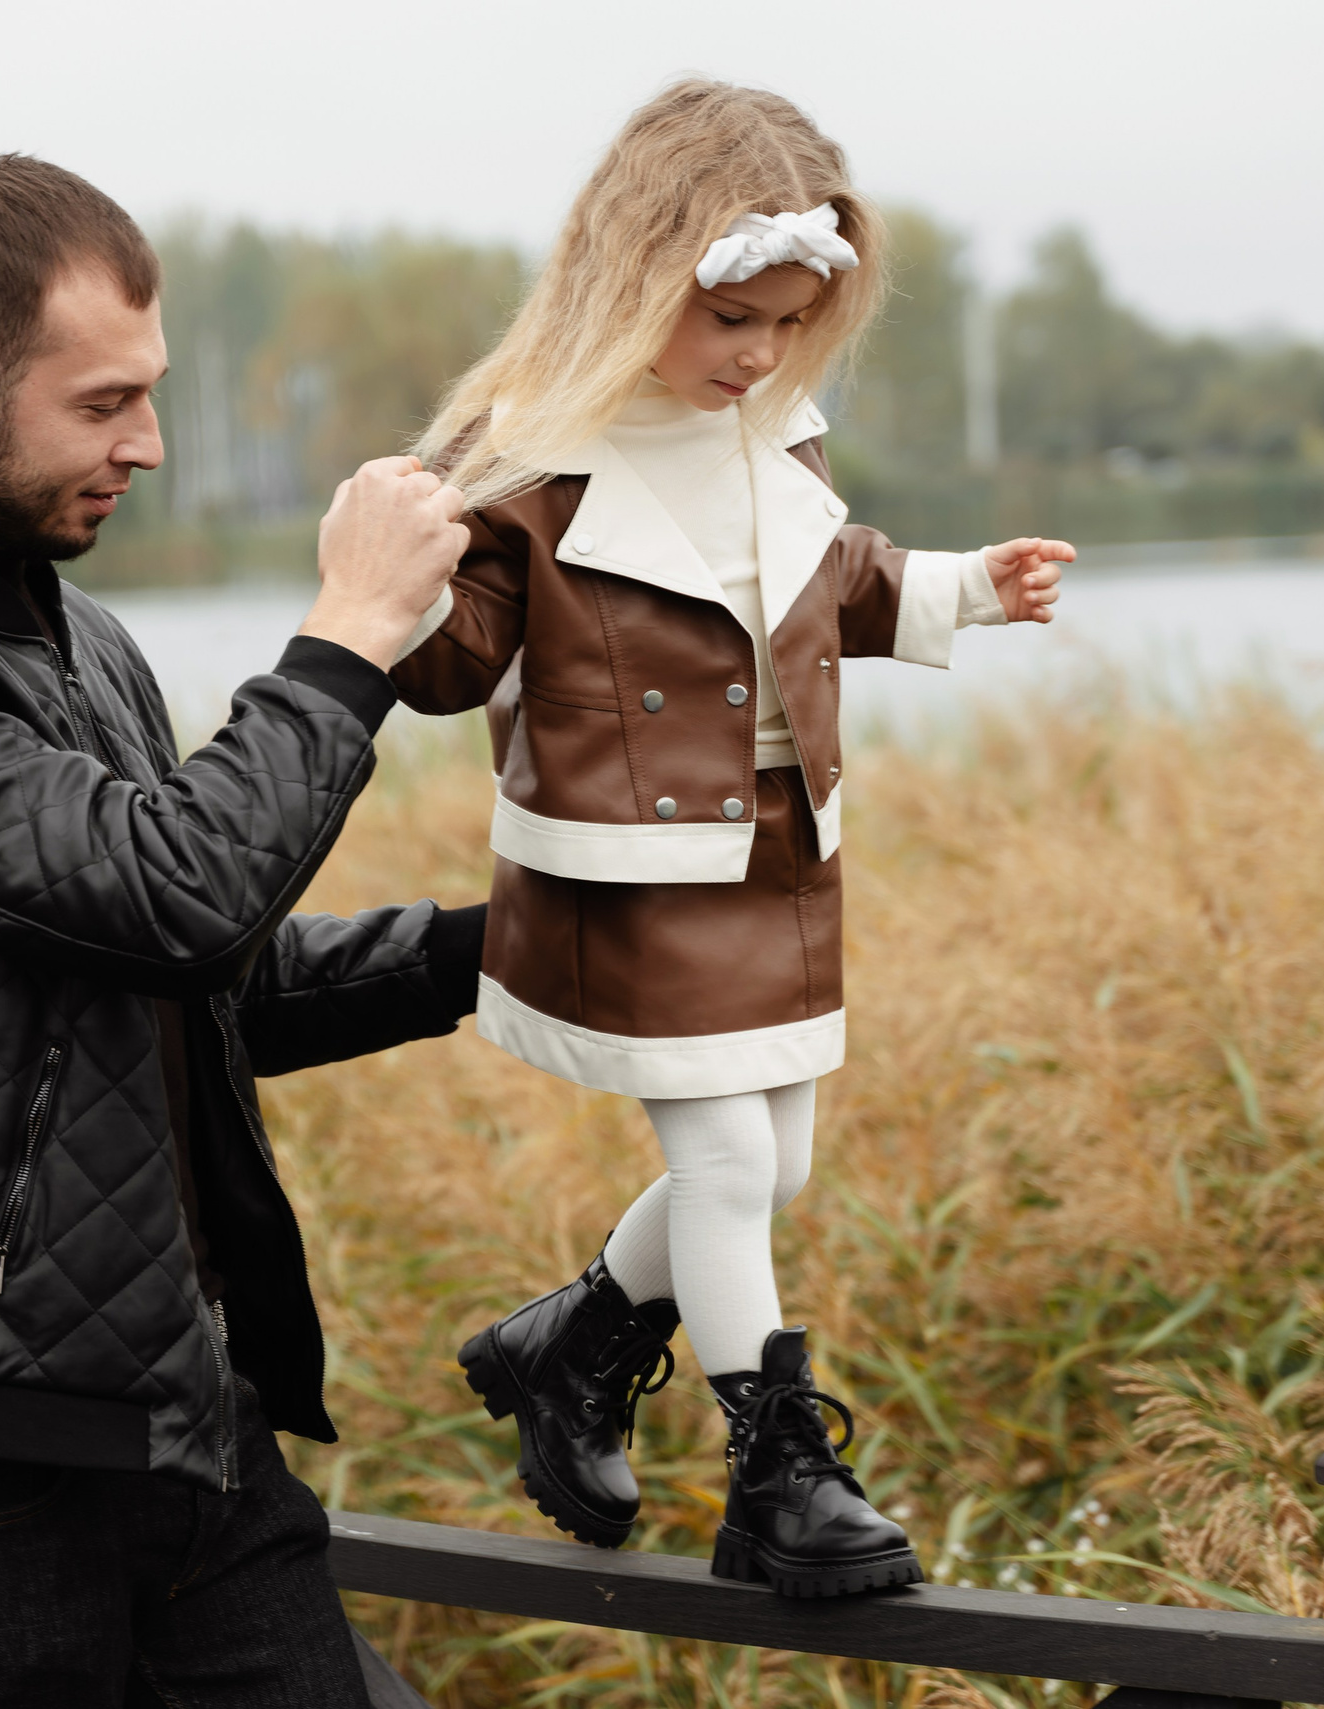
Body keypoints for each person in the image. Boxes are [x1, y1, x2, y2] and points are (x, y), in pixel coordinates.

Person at [0, 155, 476, 1705]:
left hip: (177, 1412)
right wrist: (355, 630)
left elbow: (189, 974)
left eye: (151, 394)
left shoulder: (78, 634)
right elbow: (181, 888)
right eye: (105, 402)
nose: (151, 444)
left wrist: (495, 948)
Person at [389, 82, 1073, 1598]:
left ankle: (570, 1341)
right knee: (719, 1158)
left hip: (777, 848)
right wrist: (399, 576)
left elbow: (829, 581)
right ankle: (778, 1474)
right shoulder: (535, 455)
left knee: (778, 1160)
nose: (757, 352)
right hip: (627, 860)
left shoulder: (774, 426)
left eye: (784, 321)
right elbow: (450, 661)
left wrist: (969, 585)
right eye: (730, 321)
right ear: (635, 280)